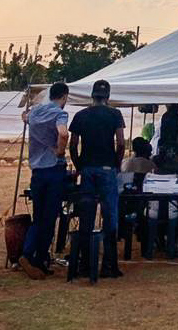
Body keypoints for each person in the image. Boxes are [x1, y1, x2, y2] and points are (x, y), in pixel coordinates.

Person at [69, 79, 126, 279]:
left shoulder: (81, 115)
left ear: (92, 96)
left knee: (86, 217)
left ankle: (85, 265)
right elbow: (120, 143)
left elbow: (72, 145)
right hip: (107, 169)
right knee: (110, 217)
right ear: (108, 96)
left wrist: (79, 167)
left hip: (88, 170)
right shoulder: (114, 114)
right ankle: (109, 266)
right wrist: (117, 163)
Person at [18, 82, 70, 280]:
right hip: (53, 170)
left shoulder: (35, 113)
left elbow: (24, 117)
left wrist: (27, 114)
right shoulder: (59, 113)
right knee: (49, 218)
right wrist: (60, 150)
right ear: (64, 97)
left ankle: (30, 256)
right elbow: (63, 133)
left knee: (38, 217)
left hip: (37, 171)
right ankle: (36, 256)